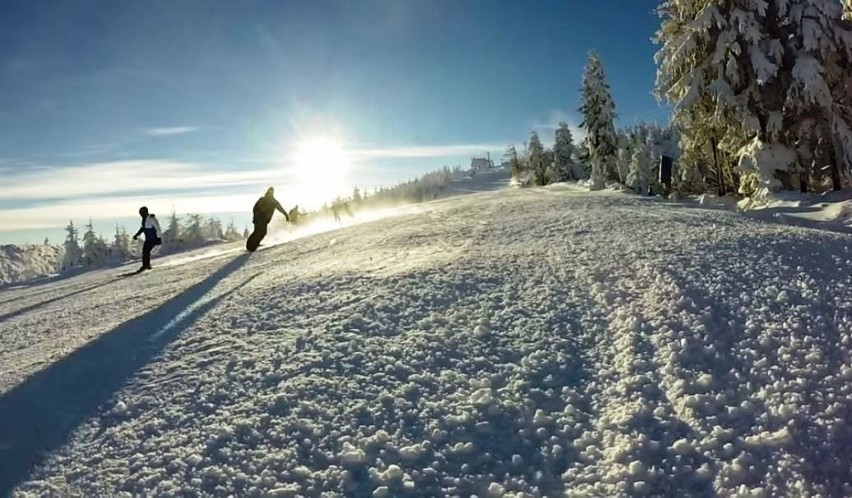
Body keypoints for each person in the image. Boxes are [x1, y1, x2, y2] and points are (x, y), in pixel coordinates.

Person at [246, 187, 290, 251]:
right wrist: (256, 215)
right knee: (259, 232)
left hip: (263, 220)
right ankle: (250, 246)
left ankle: (254, 244)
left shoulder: (274, 201)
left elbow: (280, 208)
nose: (270, 193)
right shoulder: (263, 199)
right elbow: (255, 208)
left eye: (271, 191)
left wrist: (286, 215)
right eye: (270, 191)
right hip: (260, 218)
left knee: (261, 232)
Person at [132, 206, 162, 272]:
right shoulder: (144, 220)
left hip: (153, 238)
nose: (140, 215)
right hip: (148, 239)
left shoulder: (152, 218)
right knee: (145, 251)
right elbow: (142, 228)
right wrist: (137, 235)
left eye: (141, 213)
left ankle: (146, 265)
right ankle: (146, 265)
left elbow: (158, 228)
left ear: (145, 212)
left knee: (146, 251)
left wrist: (159, 238)